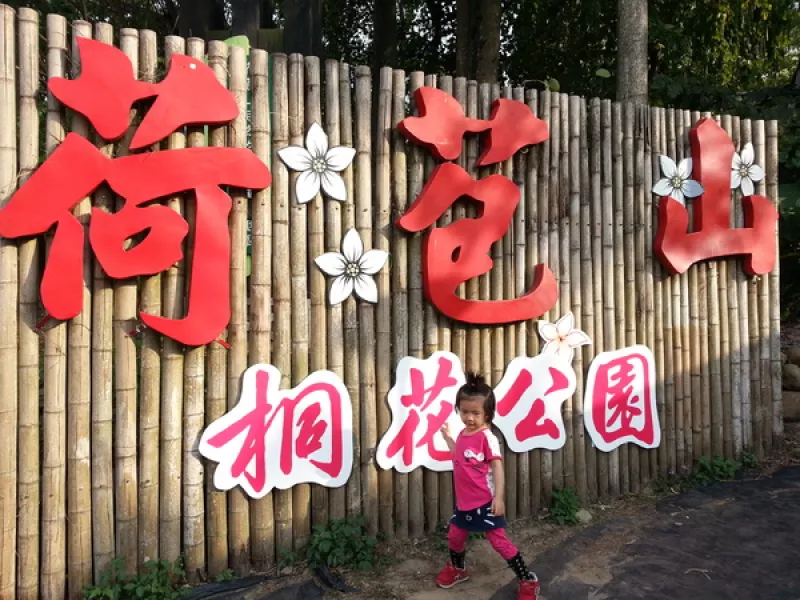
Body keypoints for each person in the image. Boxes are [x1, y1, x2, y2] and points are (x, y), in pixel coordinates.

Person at [436, 372, 539, 600]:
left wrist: (498, 497)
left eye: (475, 413)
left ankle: (527, 579)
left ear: (488, 414)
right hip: (464, 503)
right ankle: (458, 570)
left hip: (485, 502)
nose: (469, 417)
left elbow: (498, 468)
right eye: (464, 412)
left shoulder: (487, 438)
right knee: (455, 536)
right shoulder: (463, 433)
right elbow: (459, 457)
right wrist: (448, 438)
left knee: (499, 541)